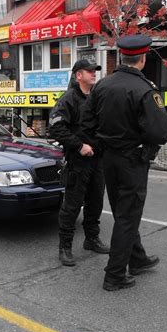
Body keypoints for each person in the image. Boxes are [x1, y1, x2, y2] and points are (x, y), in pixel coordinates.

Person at [81, 35, 167, 291]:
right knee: (128, 216)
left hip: (109, 158)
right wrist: (144, 146)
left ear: (121, 56)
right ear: (142, 59)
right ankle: (115, 275)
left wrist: (101, 144)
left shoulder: (102, 86)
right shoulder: (144, 89)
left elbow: (86, 123)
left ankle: (138, 259)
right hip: (132, 158)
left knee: (123, 212)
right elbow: (161, 132)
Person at [49, 59, 110, 267]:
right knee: (72, 205)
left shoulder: (96, 97)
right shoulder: (69, 99)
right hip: (78, 161)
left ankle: (91, 239)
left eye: (95, 71)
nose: (94, 74)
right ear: (78, 75)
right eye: (89, 71)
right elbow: (56, 128)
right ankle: (64, 247)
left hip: (98, 160)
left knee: (95, 202)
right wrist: (79, 145)